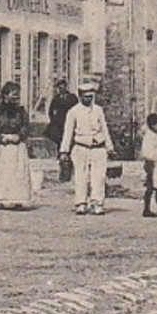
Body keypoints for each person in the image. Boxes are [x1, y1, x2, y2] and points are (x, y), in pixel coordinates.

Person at [60, 79, 114, 215]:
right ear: (80, 96)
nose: (88, 99)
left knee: (99, 177)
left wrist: (110, 147)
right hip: (80, 147)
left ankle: (97, 203)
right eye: (86, 97)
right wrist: (64, 151)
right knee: (80, 176)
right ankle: (81, 202)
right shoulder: (73, 112)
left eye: (91, 97)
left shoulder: (98, 110)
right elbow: (68, 132)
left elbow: (104, 128)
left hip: (98, 147)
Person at [0, 81, 34, 210]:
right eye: (12, 96)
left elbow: (26, 126)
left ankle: (17, 199)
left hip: (17, 146)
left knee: (17, 172)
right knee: (0, 172)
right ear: (5, 96)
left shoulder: (21, 111)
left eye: (17, 96)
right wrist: (0, 137)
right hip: (1, 146)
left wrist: (18, 136)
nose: (15, 99)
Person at [45, 77, 78, 182]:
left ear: (66, 86)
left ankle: (70, 170)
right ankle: (63, 172)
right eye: (59, 87)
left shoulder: (72, 98)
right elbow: (51, 111)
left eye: (62, 86)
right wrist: (54, 120)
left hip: (71, 126)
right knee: (61, 149)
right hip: (60, 127)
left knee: (71, 147)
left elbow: (77, 110)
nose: (61, 88)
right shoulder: (56, 99)